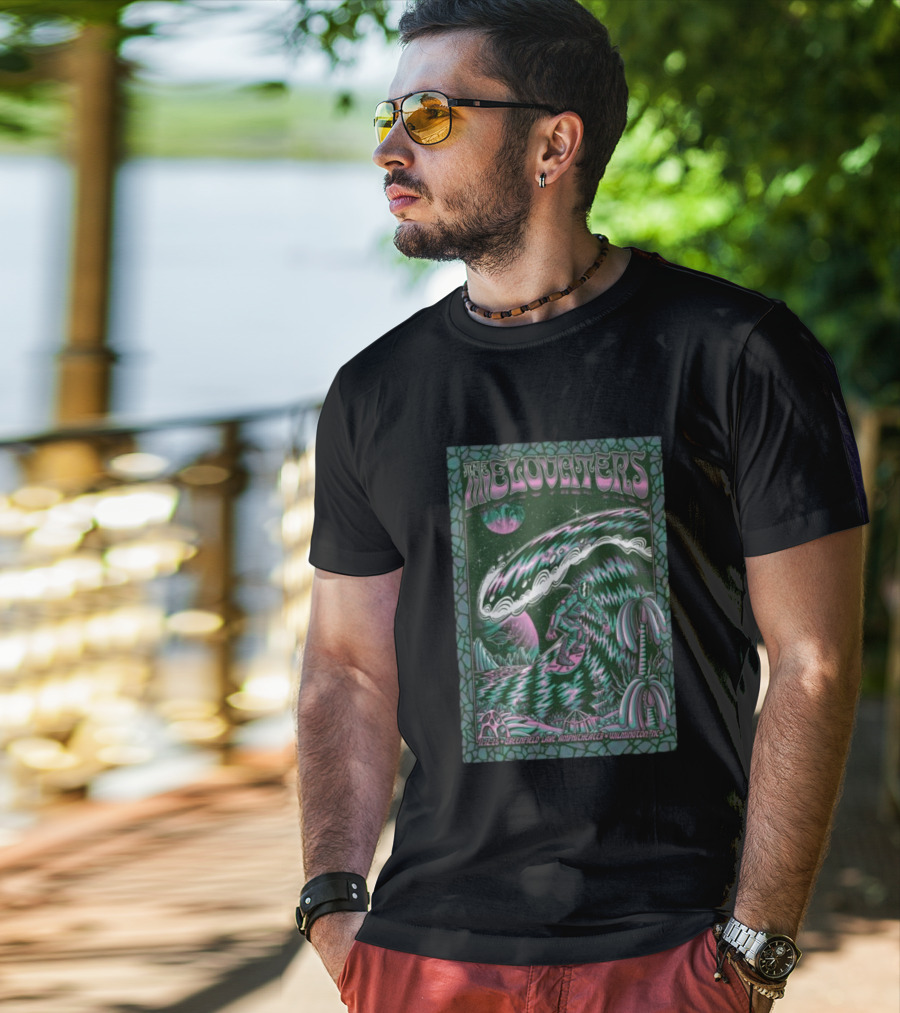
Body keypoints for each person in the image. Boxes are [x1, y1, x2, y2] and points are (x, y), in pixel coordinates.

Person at [296, 1, 868, 1011]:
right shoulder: (374, 391)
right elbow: (346, 664)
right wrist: (335, 908)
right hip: (427, 955)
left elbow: (813, 660)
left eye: (430, 116)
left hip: (667, 950)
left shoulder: (738, 353)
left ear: (553, 145)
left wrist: (755, 948)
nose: (389, 147)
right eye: (388, 116)